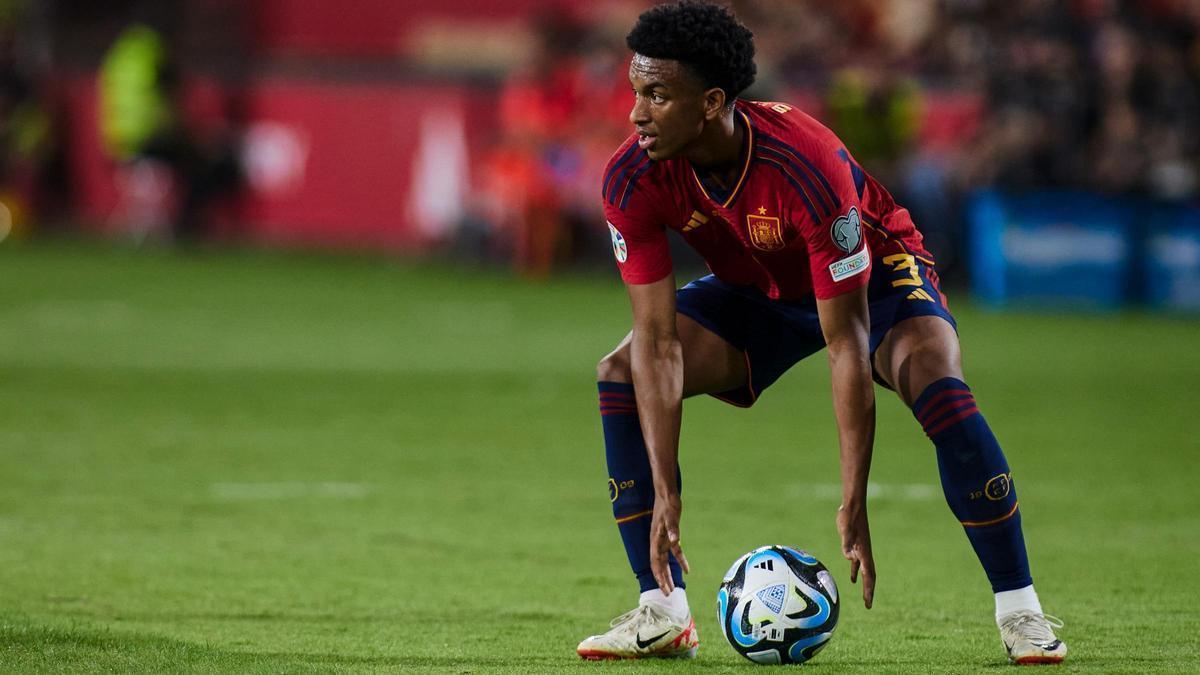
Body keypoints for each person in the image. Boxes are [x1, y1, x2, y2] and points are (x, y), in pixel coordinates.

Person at [576, 1, 1067, 665]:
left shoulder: (805, 164)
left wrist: (852, 498)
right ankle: (663, 609)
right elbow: (658, 345)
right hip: (758, 290)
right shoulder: (632, 175)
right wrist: (667, 491)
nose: (636, 113)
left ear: (712, 100)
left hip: (875, 279)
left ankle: (1022, 611)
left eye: (658, 95)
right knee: (621, 370)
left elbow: (846, 341)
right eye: (636, 91)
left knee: (937, 385)